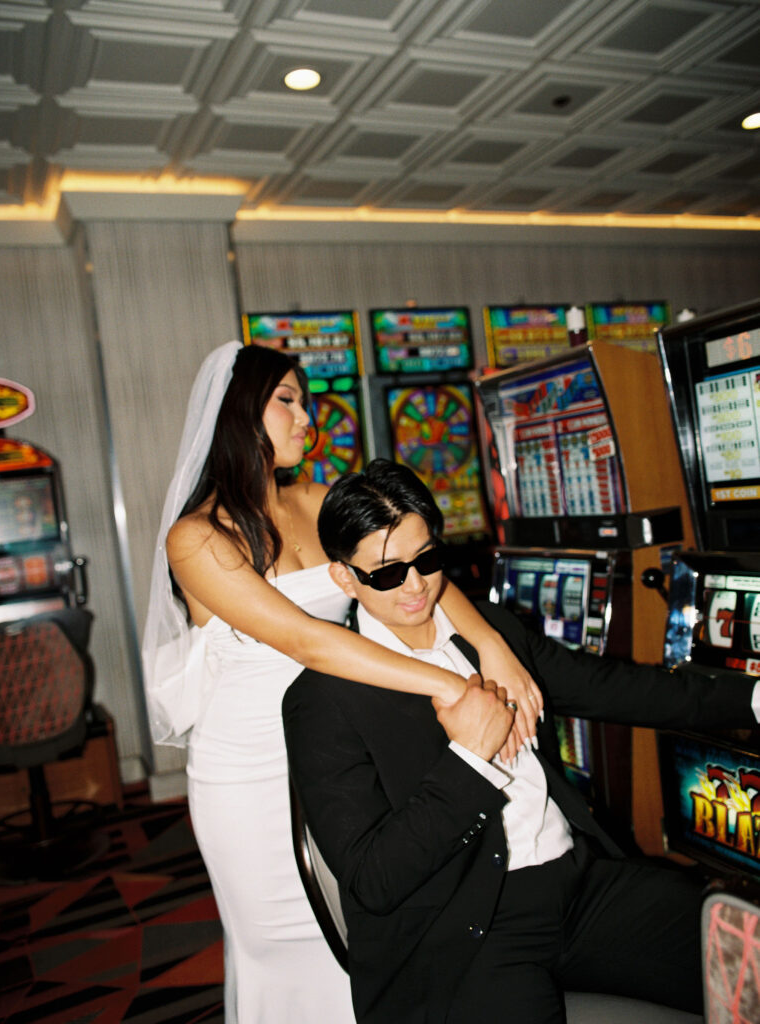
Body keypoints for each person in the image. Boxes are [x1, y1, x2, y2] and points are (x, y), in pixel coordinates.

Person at [141, 342, 542, 1024]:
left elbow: (411, 569)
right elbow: (307, 640)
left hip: (343, 742)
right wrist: (445, 687)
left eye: (308, 402)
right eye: (288, 401)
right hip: (253, 767)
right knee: (291, 947)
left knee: (369, 929)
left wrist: (491, 646)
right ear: (241, 412)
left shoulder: (322, 498)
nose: (309, 420)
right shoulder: (197, 536)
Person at [282, 458, 760, 1024]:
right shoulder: (321, 700)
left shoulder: (488, 635)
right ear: (343, 577)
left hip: (576, 885)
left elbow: (615, 688)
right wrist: (469, 760)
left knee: (744, 956)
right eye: (386, 573)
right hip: (463, 934)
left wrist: (750, 699)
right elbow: (374, 878)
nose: (414, 586)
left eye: (428, 560)